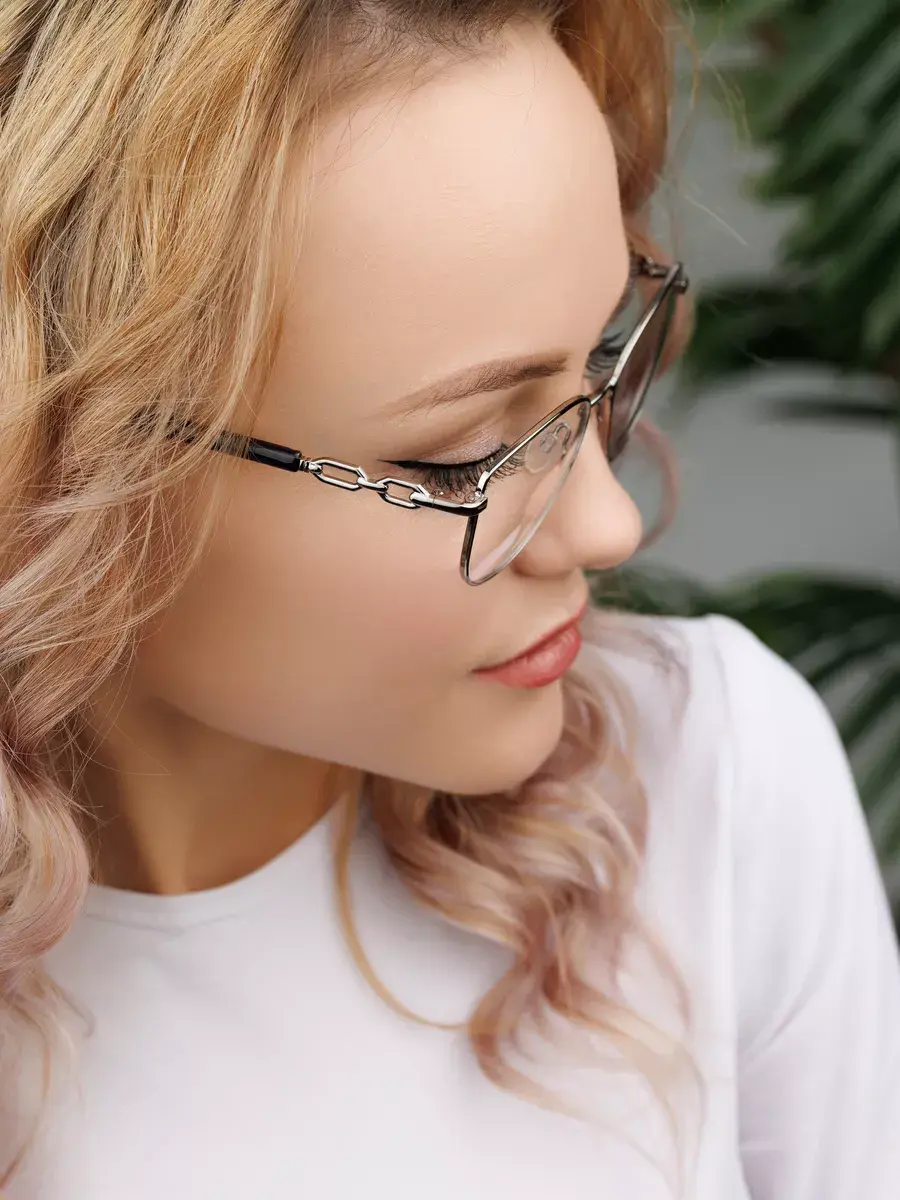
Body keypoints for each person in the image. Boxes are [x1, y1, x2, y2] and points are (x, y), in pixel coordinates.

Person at [0, 1, 898, 1196]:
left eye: (602, 358)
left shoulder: (706, 784)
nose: (608, 525)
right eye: (463, 457)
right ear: (54, 454)